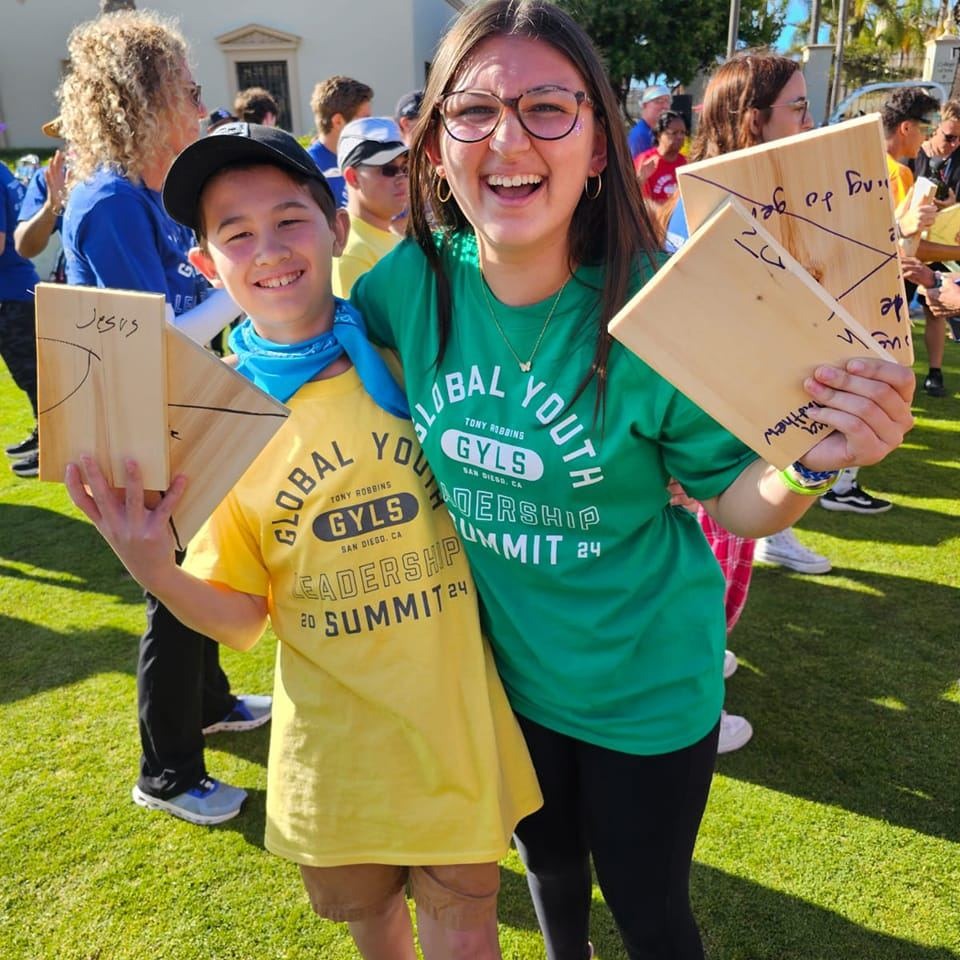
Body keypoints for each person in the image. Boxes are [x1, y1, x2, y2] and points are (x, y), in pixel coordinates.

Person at [350, 3, 914, 957]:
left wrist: (814, 457)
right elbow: (353, 391)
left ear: (602, 145)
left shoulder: (659, 309)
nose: (509, 139)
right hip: (500, 679)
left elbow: (734, 498)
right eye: (475, 111)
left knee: (651, 916)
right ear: (436, 143)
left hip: (644, 691)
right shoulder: (405, 288)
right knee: (552, 877)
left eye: (547, 109)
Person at [68, 122, 542, 960]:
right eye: (236, 233)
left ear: (333, 223)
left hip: (454, 721)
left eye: (289, 218)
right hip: (336, 754)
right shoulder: (216, 428)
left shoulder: (411, 356)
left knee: (466, 928)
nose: (270, 249)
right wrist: (152, 567)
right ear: (206, 266)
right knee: (375, 931)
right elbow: (244, 618)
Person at [57, 9, 268, 826]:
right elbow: (148, 338)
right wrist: (240, 286)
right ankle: (168, 772)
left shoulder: (147, 189)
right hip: (137, 431)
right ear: (143, 97)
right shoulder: (109, 199)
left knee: (200, 572)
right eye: (187, 88)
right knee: (171, 597)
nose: (200, 101)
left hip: (175, 418)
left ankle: (210, 704)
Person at [908, 98, 960, 397]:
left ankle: (935, 374)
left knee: (935, 310)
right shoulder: (911, 156)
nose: (954, 144)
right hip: (907, 248)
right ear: (934, 128)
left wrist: (952, 207)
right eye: (949, 136)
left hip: (940, 248)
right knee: (893, 311)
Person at [332, 117, 409, 297]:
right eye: (388, 170)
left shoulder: (384, 234)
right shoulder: (352, 252)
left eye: (405, 168)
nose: (402, 179)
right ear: (353, 177)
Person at [0, 158, 41, 478]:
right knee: (34, 378)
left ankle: (51, 448)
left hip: (11, 294)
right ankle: (47, 439)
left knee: (35, 379)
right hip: (17, 291)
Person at [308, 76, 374, 207]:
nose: (369, 125)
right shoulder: (307, 169)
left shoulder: (369, 160)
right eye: (364, 120)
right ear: (338, 121)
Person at [637, 109, 686, 204]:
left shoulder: (686, 163)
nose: (680, 137)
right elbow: (642, 203)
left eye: (682, 133)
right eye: (674, 133)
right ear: (659, 134)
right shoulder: (646, 161)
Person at [627, 83, 671, 159]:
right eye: (659, 101)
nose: (665, 106)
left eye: (667, 101)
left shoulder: (655, 133)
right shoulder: (641, 135)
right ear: (644, 105)